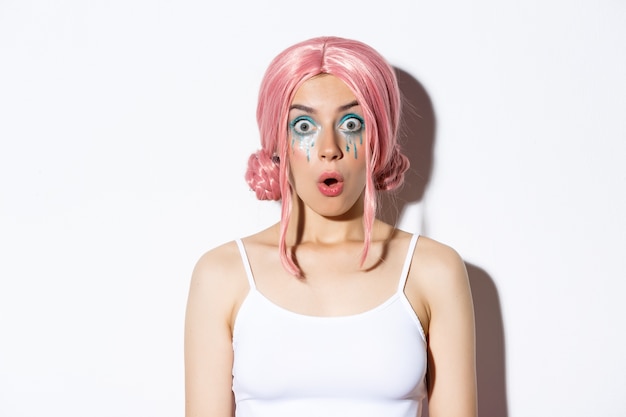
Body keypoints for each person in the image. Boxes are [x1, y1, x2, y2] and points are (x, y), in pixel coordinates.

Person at [184, 36, 477, 417]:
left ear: (378, 139)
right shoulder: (223, 274)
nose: (329, 148)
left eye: (351, 123)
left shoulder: (433, 271)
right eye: (304, 125)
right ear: (277, 142)